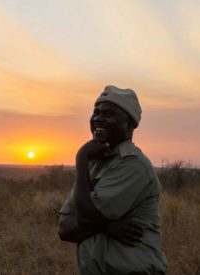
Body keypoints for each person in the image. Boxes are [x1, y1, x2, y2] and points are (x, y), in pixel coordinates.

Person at [58, 85, 167, 274]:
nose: (98, 118)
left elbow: (84, 216)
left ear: (129, 123)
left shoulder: (133, 166)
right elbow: (64, 229)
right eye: (96, 112)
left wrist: (81, 156)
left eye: (108, 114)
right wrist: (107, 226)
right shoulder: (95, 165)